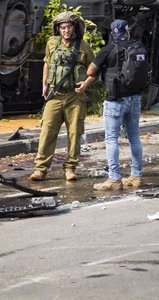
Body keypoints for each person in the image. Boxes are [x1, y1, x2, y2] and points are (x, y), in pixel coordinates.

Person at [30, 11, 95, 182]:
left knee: (74, 133)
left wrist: (85, 84)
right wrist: (44, 85)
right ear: (58, 29)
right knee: (47, 131)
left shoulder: (83, 46)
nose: (66, 30)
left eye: (69, 27)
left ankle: (70, 168)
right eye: (63, 27)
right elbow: (47, 63)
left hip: (75, 97)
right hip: (55, 95)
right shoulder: (52, 43)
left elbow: (94, 70)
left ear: (75, 28)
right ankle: (41, 169)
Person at [87, 19, 144, 191]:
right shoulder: (137, 47)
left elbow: (90, 71)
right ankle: (136, 176)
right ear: (127, 32)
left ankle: (114, 179)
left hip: (115, 100)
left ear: (113, 33)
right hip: (134, 98)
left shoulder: (108, 49)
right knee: (134, 138)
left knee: (112, 139)